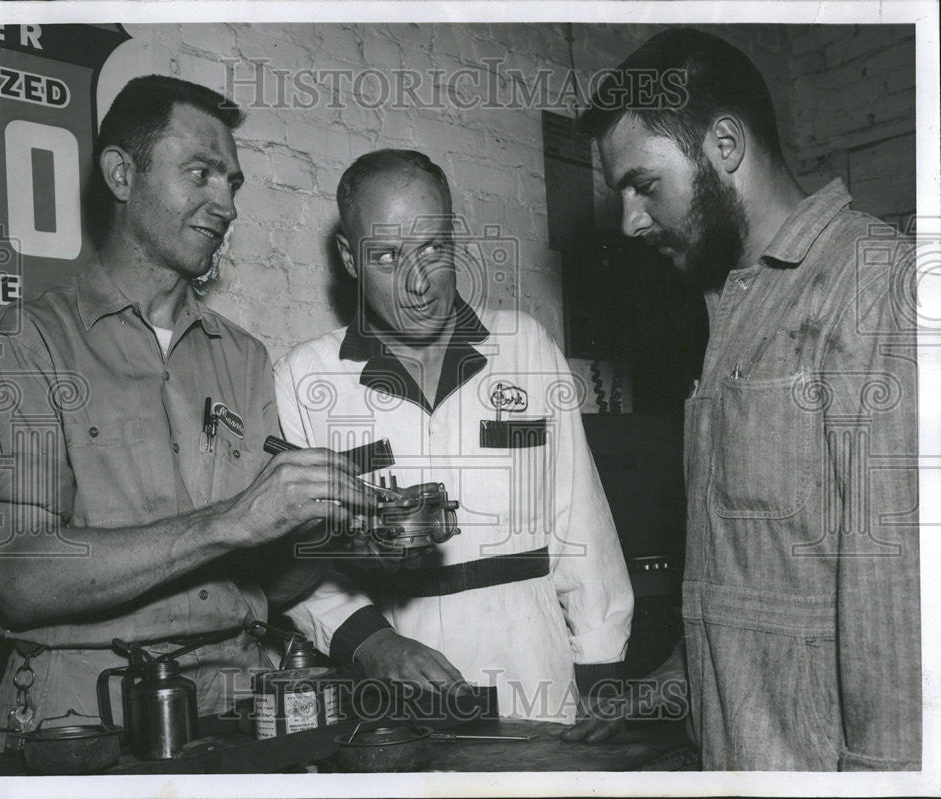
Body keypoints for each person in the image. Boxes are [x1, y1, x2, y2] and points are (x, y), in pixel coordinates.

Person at [0, 75, 377, 753]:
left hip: (241, 700)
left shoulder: (242, 357)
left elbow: (260, 587)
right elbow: (21, 575)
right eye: (201, 174)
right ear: (122, 174)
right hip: (90, 718)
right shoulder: (29, 341)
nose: (224, 203)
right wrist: (231, 521)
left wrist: (331, 533)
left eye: (233, 183)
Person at [560, 29, 920, 771]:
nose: (628, 221)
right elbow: (756, 561)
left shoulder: (876, 283)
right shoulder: (725, 303)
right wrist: (673, 679)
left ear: (725, 144)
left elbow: (898, 600)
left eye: (643, 185)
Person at [274, 149, 634, 722]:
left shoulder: (524, 347)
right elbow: (295, 560)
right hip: (399, 693)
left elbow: (581, 523)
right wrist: (373, 643)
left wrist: (601, 671)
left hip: (536, 671)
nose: (420, 284)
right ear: (349, 258)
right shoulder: (307, 377)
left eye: (433, 250)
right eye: (388, 257)